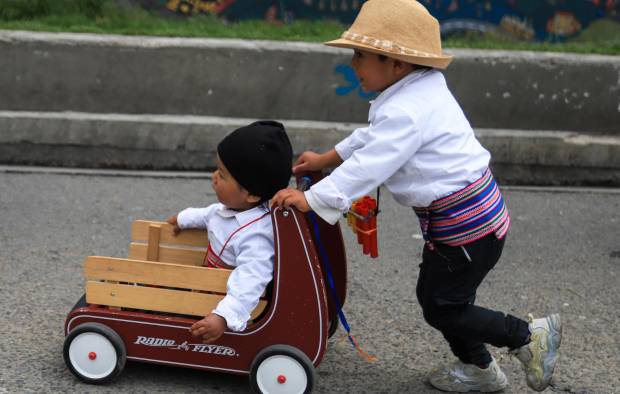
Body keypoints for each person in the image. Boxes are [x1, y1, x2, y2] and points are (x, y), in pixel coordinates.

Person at [270, 0, 561, 392]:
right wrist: (329, 156)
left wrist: (315, 198)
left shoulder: (407, 110)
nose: (354, 64)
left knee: (443, 305)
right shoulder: (417, 90)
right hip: (468, 223)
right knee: (440, 300)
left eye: (361, 55)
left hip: (466, 228)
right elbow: (373, 139)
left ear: (397, 63)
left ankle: (527, 336)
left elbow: (373, 161)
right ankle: (480, 368)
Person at [167, 120, 293, 344]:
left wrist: (223, 316)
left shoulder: (256, 236)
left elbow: (250, 279)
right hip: (204, 287)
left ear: (252, 194)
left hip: (219, 298)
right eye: (217, 168)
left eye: (223, 175)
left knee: (163, 295)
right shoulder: (234, 208)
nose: (214, 176)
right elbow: (209, 214)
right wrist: (183, 219)